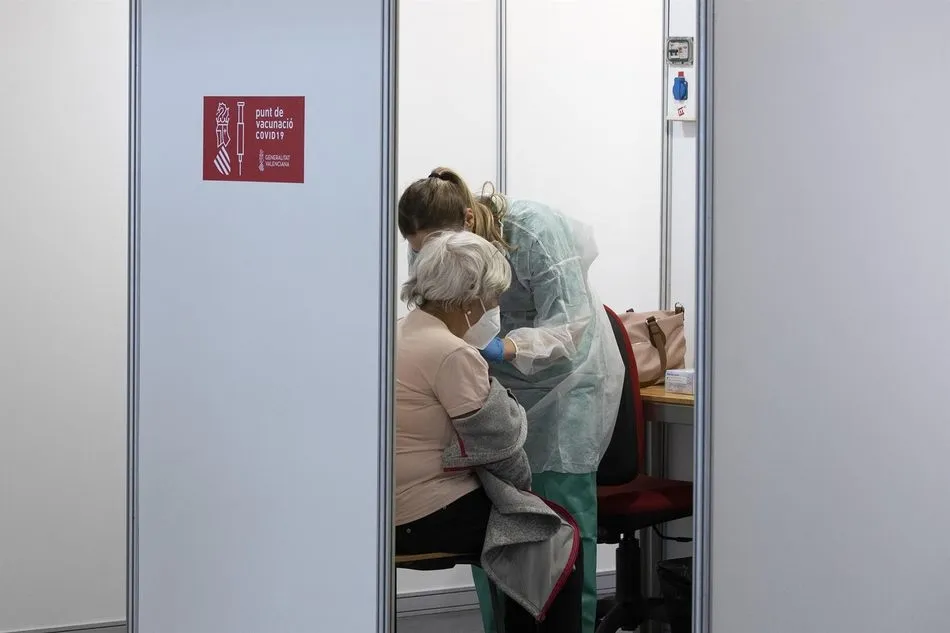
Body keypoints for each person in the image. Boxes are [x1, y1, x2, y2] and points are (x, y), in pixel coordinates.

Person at [399, 168, 625, 633]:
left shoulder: (532, 231)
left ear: (468, 217)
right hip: (483, 386)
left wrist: (510, 347)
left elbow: (573, 324)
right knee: (508, 524)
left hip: (564, 389)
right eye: (422, 252)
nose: (433, 258)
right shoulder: (448, 349)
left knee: (561, 535)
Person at [395, 230, 584, 633]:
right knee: (550, 535)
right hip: (421, 512)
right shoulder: (452, 353)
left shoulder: (399, 332)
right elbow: (499, 447)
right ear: (469, 298)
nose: (497, 306)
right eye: (494, 296)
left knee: (529, 528)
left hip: (384, 508)